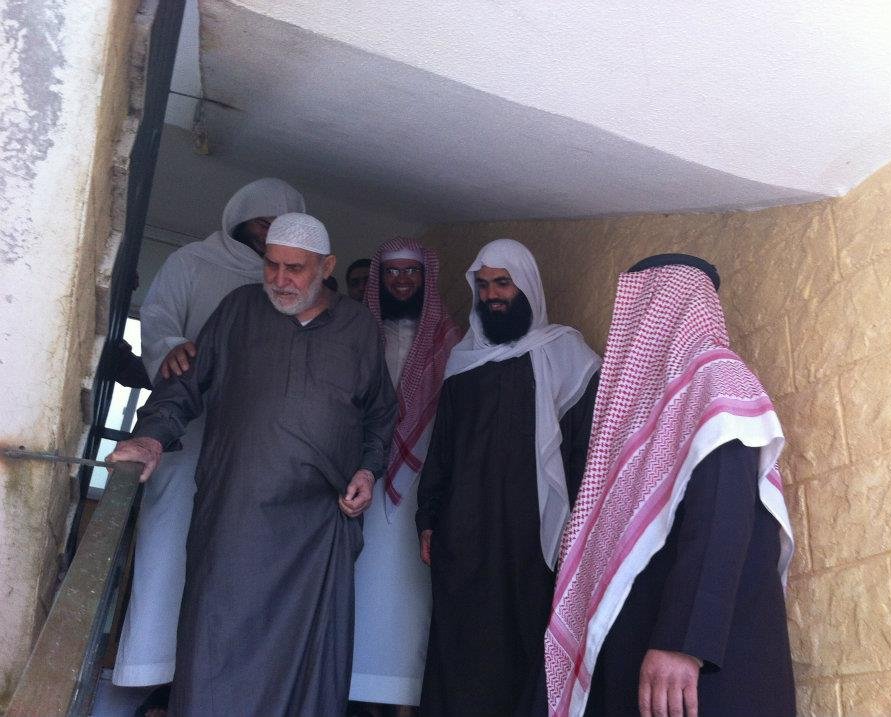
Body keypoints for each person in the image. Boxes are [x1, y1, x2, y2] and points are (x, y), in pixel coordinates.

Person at [108, 213, 397, 716]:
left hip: (317, 528)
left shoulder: (358, 328)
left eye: (294, 268)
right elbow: (185, 386)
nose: (279, 280)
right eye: (271, 265)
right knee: (215, 639)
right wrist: (150, 439)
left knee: (305, 659)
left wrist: (368, 472)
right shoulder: (239, 310)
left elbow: (380, 414)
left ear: (326, 267)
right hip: (234, 515)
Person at [546, 254, 796, 717]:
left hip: (695, 669)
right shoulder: (645, 412)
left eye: (642, 307)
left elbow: (722, 515)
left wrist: (684, 641)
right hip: (644, 653)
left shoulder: (715, 380)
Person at [112, 178, 305, 699]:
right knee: (167, 546)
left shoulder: (287, 285)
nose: (268, 234)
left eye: (279, 227)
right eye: (261, 223)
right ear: (238, 219)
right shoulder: (192, 262)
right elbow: (157, 319)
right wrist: (173, 347)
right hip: (183, 435)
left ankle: (214, 680)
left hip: (250, 443)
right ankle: (151, 674)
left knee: (234, 558)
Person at [416, 238, 600, 717]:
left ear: (527, 287)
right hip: (465, 535)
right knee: (461, 647)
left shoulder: (567, 354)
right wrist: (427, 518)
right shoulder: (464, 362)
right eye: (483, 286)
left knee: (526, 643)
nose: (492, 296)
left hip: (532, 535)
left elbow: (584, 451)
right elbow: (442, 448)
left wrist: (578, 531)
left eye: (502, 283)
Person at [350, 239, 461, 713]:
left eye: (410, 272)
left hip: (422, 477)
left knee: (410, 596)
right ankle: (357, 696)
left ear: (426, 278)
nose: (401, 281)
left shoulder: (449, 337)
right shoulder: (355, 330)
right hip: (361, 472)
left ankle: (403, 701)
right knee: (359, 587)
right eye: (392, 272)